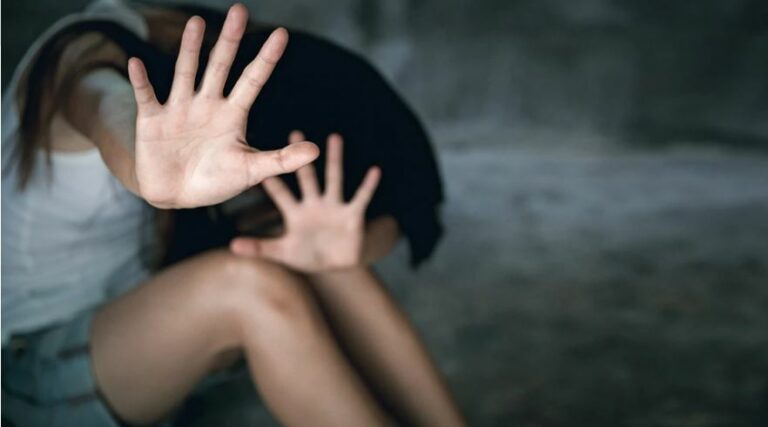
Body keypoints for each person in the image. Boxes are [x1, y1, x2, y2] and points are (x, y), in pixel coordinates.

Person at [1, 1, 464, 426]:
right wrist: (145, 167)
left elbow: (409, 202)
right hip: (28, 366)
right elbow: (104, 106)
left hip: (131, 324)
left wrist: (350, 249)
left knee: (299, 249)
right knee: (248, 287)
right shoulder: (77, 60)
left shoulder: (151, 39)